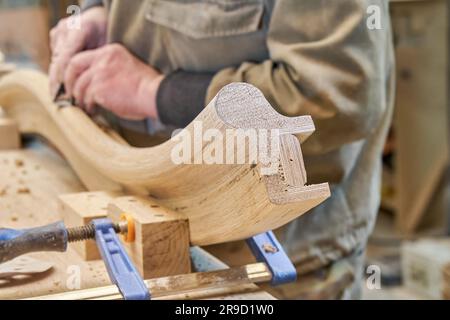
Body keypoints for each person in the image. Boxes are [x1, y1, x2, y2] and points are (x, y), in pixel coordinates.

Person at [49, 0, 395, 299]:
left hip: (272, 255)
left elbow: (339, 96)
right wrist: (98, 13)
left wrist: (154, 91)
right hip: (137, 215)